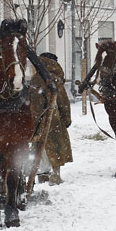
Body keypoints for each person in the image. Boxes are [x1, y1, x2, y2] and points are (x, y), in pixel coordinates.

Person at [30, 52, 73, 185]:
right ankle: (55, 175)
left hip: (36, 118)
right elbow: (63, 101)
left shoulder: (35, 79)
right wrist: (66, 119)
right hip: (53, 118)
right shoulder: (55, 79)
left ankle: (42, 176)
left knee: (39, 148)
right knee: (55, 148)